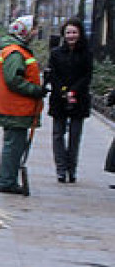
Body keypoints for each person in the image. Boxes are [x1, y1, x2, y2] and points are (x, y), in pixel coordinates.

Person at [0, 14, 46, 195]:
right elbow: (13, 80)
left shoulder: (17, 50)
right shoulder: (15, 52)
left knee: (15, 145)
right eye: (33, 29)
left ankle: (9, 179)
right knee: (14, 146)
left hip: (17, 108)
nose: (36, 33)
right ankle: (7, 181)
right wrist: (35, 90)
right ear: (24, 31)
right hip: (15, 108)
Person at [46, 17, 93, 183]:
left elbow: (87, 76)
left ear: (79, 34)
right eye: (68, 33)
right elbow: (53, 75)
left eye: (74, 32)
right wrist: (64, 92)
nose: (71, 36)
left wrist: (74, 91)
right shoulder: (56, 53)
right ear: (63, 35)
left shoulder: (87, 54)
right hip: (59, 98)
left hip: (79, 99)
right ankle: (60, 169)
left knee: (75, 136)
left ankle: (72, 169)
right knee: (58, 135)